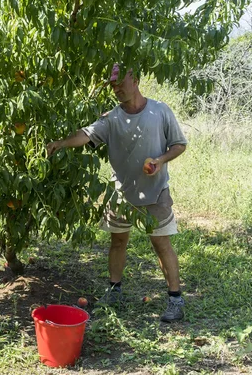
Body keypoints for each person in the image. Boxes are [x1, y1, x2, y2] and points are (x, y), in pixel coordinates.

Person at [47, 65, 188, 322]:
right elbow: (86, 134)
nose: (116, 88)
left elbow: (179, 145)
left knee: (161, 244)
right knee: (118, 242)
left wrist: (160, 160)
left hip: (155, 192)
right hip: (121, 194)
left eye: (120, 82)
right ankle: (114, 291)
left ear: (135, 79)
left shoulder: (159, 111)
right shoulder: (111, 118)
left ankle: (175, 299)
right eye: (112, 85)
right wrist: (62, 143)